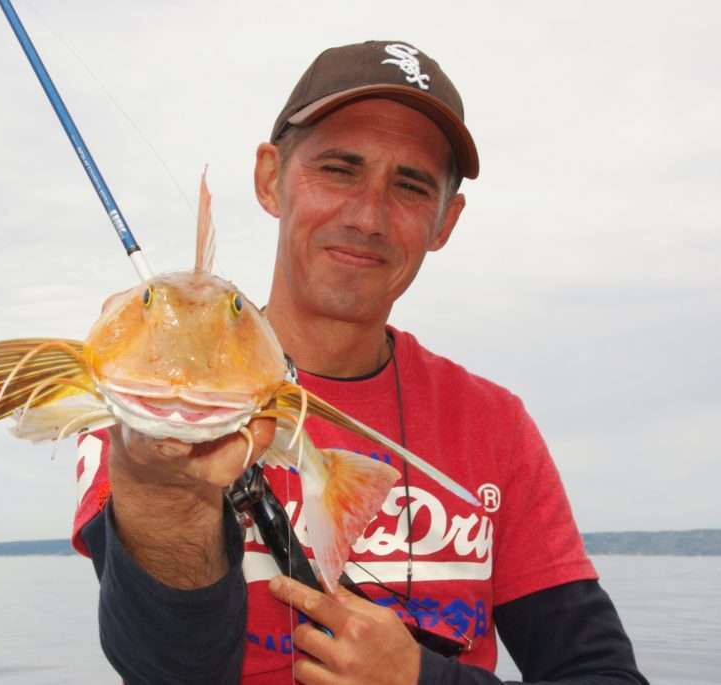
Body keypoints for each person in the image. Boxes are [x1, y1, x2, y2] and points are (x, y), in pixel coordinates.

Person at [71, 41, 649, 684]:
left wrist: (424, 680)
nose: (368, 215)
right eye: (339, 169)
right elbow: (170, 670)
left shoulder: (493, 425)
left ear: (445, 221)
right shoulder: (139, 398)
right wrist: (160, 489)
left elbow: (601, 674)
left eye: (409, 185)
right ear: (270, 178)